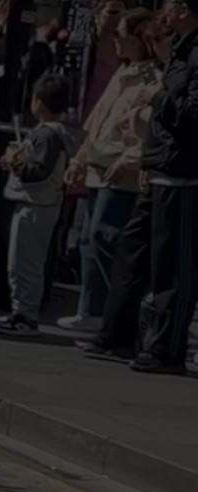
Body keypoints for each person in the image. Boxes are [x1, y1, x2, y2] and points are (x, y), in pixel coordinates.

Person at [60, 8, 161, 332]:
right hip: (98, 164)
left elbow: (146, 130)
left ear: (136, 39)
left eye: (119, 35)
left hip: (120, 170)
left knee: (107, 237)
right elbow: (97, 119)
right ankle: (90, 308)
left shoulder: (150, 78)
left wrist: (129, 159)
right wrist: (78, 160)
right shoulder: (123, 72)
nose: (114, 41)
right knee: (90, 239)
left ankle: (111, 313)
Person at [121, 0, 198, 373]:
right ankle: (154, 341)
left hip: (186, 174)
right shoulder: (183, 50)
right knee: (160, 263)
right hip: (165, 168)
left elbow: (192, 114)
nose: (162, 14)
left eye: (167, 5)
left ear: (183, 9)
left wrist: (158, 97)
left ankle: (167, 348)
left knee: (176, 269)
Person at [0, 74, 83, 336]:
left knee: (24, 262)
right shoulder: (58, 134)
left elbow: (39, 170)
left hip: (35, 203)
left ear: (39, 102)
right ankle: (21, 310)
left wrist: (17, 165)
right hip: (43, 204)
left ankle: (25, 315)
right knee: (27, 260)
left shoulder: (46, 135)